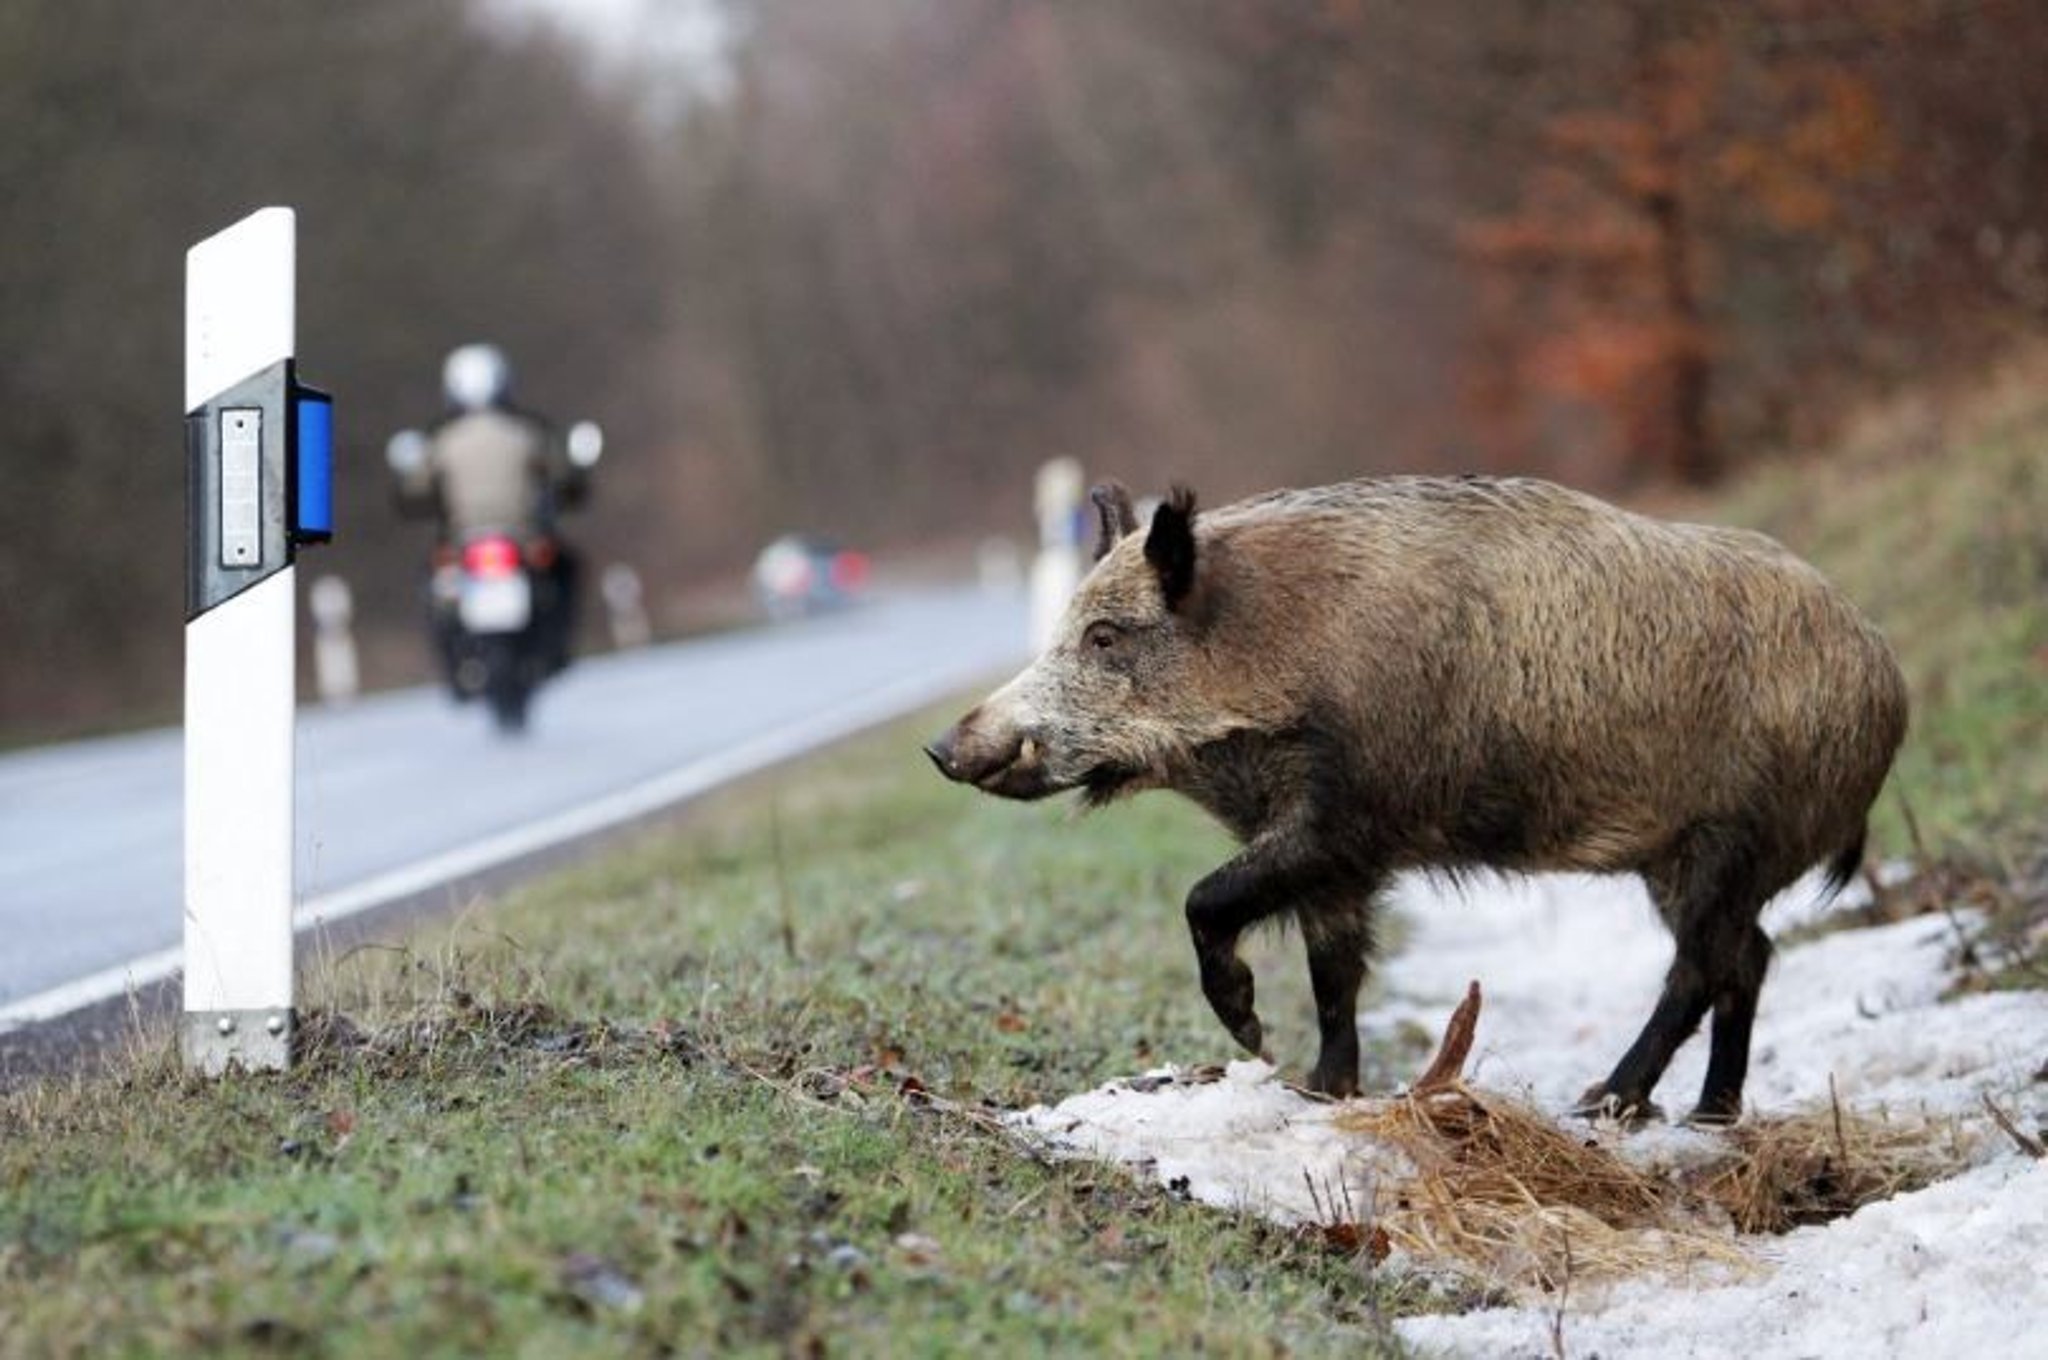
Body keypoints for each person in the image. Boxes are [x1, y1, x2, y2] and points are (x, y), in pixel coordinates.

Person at [392, 343, 590, 685]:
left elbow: (413, 494)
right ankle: (557, 651)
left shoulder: (441, 441)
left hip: (461, 544)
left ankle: (452, 668)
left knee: (431, 586)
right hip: (525, 541)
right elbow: (564, 479)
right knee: (568, 569)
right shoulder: (528, 432)